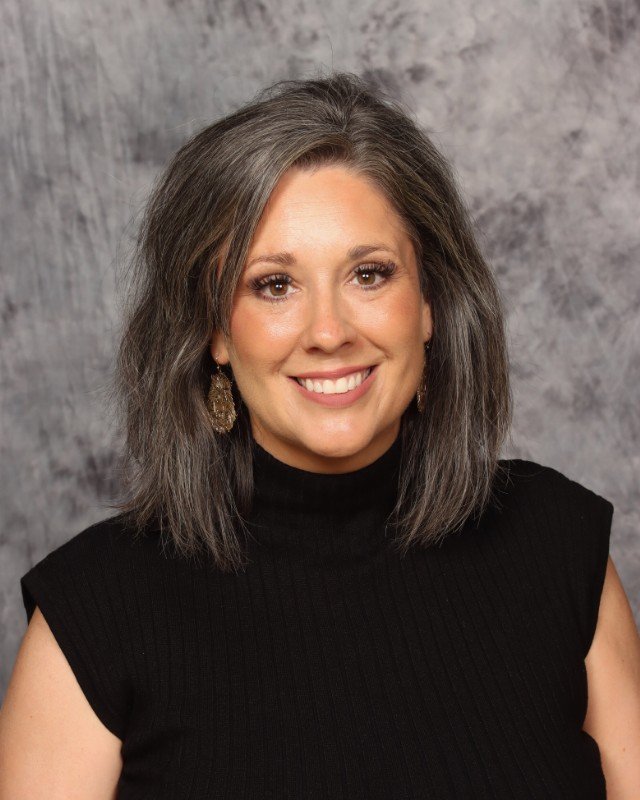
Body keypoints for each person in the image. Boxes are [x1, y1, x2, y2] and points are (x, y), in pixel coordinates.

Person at [1, 71, 639, 800]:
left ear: (428, 304)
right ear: (213, 330)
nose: (330, 332)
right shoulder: (94, 613)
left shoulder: (559, 546)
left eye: (369, 274)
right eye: (274, 285)